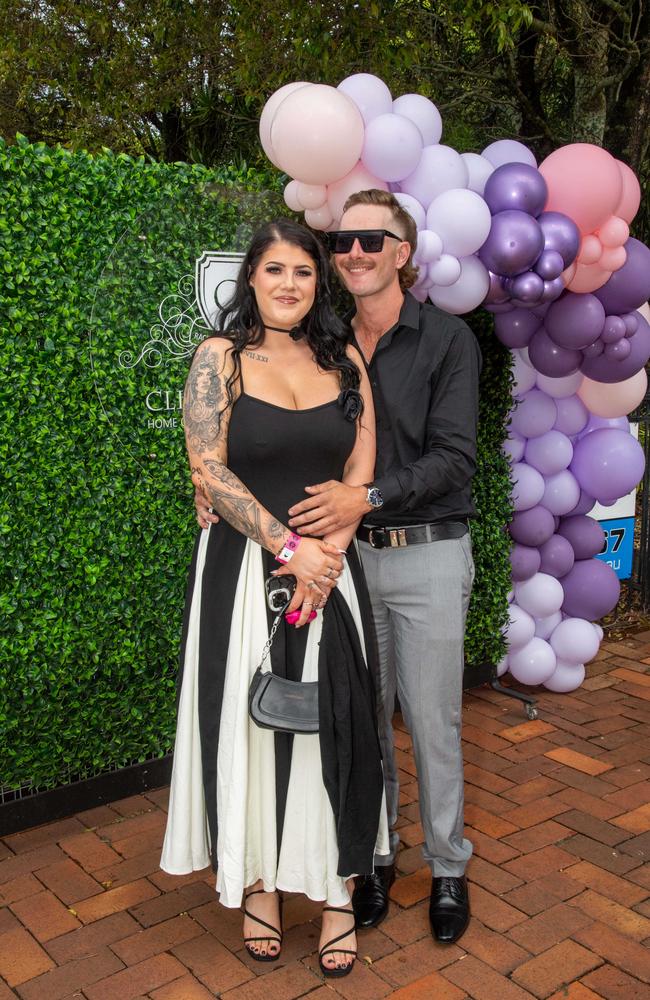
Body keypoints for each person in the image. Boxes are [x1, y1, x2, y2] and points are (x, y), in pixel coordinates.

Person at [196, 190, 481, 944]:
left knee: (431, 721)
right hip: (323, 561)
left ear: (403, 252)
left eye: (371, 240)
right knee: (351, 725)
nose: (353, 252)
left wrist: (362, 501)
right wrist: (234, 504)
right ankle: (368, 861)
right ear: (254, 277)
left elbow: (452, 459)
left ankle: (447, 868)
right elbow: (224, 457)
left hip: (415, 552)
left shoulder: (443, 341)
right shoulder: (318, 342)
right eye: (342, 242)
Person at [161, 218, 388, 978]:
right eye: (274, 271)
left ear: (318, 283)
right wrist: (293, 551)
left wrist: (329, 555)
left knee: (336, 725)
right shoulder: (218, 358)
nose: (289, 284)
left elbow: (361, 471)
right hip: (243, 573)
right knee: (253, 725)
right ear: (249, 279)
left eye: (302, 272)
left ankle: (336, 895)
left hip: (334, 569)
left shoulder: (344, 357)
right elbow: (209, 472)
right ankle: (259, 887)